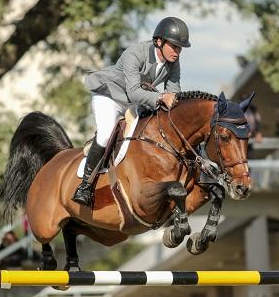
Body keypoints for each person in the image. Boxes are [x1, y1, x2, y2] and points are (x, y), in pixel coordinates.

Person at [72, 17, 191, 206]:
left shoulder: (173, 62)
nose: (177, 52)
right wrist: (160, 98)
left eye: (180, 48)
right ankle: (85, 186)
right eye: (174, 46)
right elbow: (134, 92)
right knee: (105, 135)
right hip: (110, 95)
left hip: (133, 101)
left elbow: (173, 92)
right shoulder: (135, 53)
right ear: (159, 41)